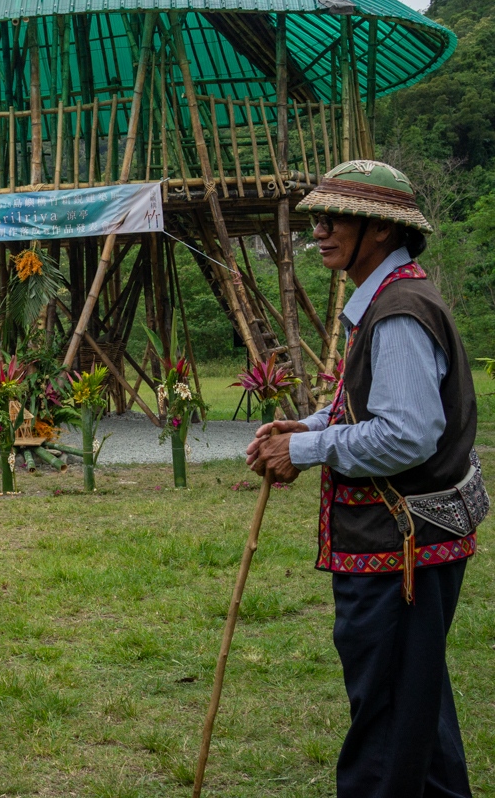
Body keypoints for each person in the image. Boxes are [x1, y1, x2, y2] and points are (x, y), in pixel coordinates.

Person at [247, 160, 482, 798]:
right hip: (408, 543)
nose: (319, 231)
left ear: (380, 229)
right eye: (318, 218)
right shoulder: (387, 298)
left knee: (386, 724)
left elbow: (406, 434)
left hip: (401, 549)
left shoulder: (399, 311)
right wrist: (306, 427)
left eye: (336, 219)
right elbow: (367, 406)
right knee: (416, 706)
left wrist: (306, 450)